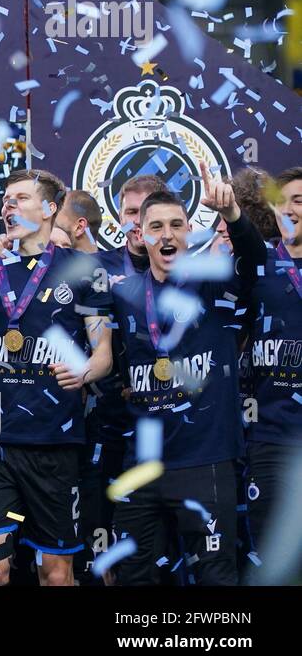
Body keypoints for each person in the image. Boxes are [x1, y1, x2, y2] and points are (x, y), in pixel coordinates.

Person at [110, 165, 267, 586]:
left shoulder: (212, 284)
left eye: (176, 225)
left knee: (215, 576)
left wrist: (233, 214)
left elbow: (255, 258)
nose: (167, 234)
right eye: (156, 226)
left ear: (190, 232)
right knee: (134, 577)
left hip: (205, 459)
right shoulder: (123, 295)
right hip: (141, 465)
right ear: (140, 235)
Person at [0, 168, 112, 586]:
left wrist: (85, 370)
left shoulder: (84, 269)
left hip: (55, 440)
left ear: (49, 209)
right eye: (7, 199)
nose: (10, 206)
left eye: (21, 198)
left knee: (56, 572)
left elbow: (104, 354)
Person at [242, 166, 300, 568]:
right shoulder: (255, 266)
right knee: (270, 555)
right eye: (291, 199)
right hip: (270, 435)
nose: (297, 209)